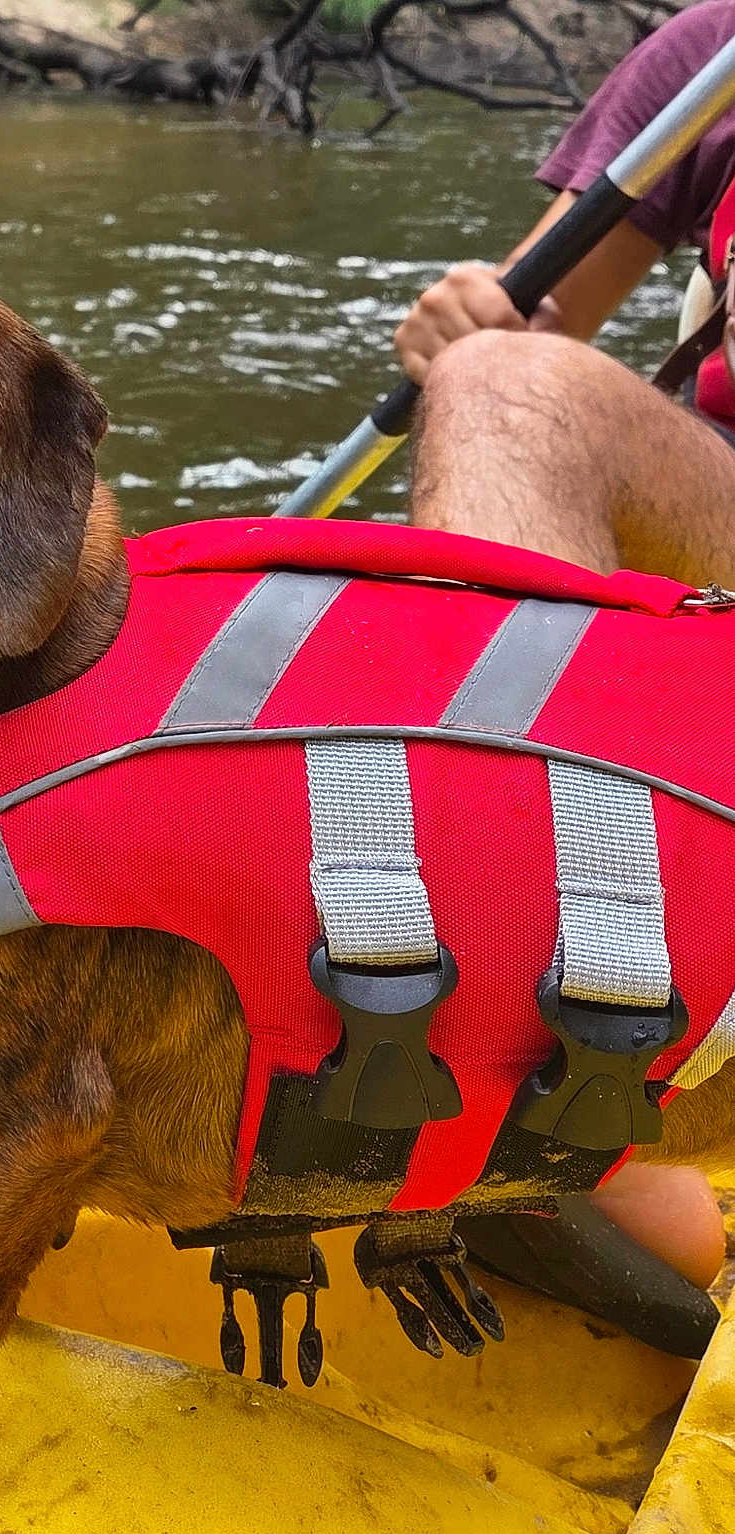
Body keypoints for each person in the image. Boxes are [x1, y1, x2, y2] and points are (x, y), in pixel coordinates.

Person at [393, 1, 735, 1297]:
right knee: (495, 385)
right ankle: (501, 1043)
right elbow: (534, 326)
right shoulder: (708, 61)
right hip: (714, 540)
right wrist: (462, 335)